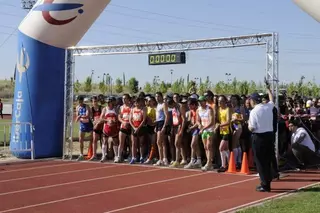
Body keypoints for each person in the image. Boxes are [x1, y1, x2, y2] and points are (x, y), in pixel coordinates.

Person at [248, 84, 274, 192]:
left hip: (259, 137)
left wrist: (248, 126)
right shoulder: (268, 107)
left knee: (260, 162)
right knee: (267, 160)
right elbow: (272, 99)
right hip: (269, 136)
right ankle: (267, 181)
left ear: (253, 101)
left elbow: (252, 128)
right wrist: (268, 89)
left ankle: (265, 184)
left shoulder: (254, 111)